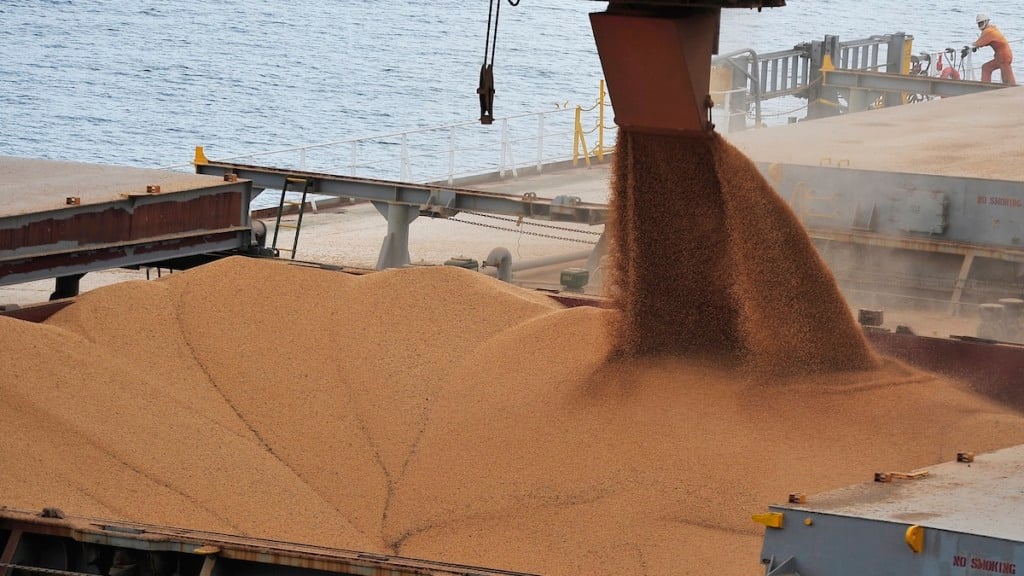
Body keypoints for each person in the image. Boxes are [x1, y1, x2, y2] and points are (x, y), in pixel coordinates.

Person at [972, 13, 1017, 86]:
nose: (980, 25)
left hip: (1004, 57)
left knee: (1007, 81)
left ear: (986, 22)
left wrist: (974, 45)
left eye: (981, 23)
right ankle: (985, 88)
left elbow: (979, 43)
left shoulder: (988, 31)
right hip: (1002, 56)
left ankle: (1012, 94)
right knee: (986, 68)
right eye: (979, 23)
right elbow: (985, 41)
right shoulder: (992, 29)